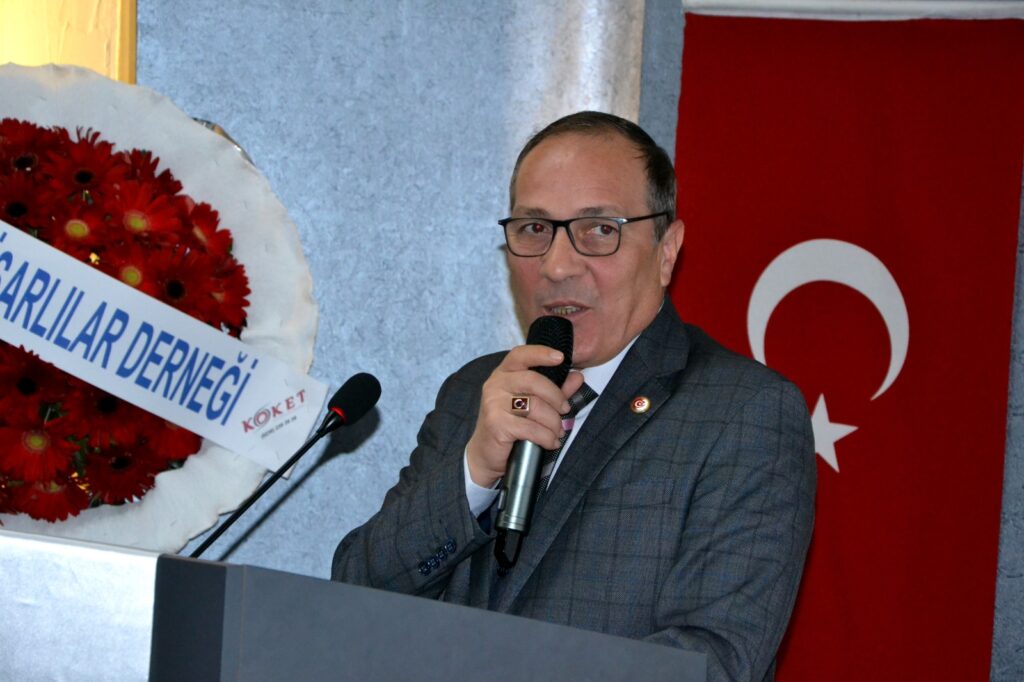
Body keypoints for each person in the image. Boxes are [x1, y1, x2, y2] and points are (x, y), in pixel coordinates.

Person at [332, 111, 815, 681]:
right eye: (534, 229)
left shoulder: (744, 413)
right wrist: (473, 474)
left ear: (666, 250)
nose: (557, 265)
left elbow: (711, 662)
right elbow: (353, 596)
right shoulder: (474, 391)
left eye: (599, 230)